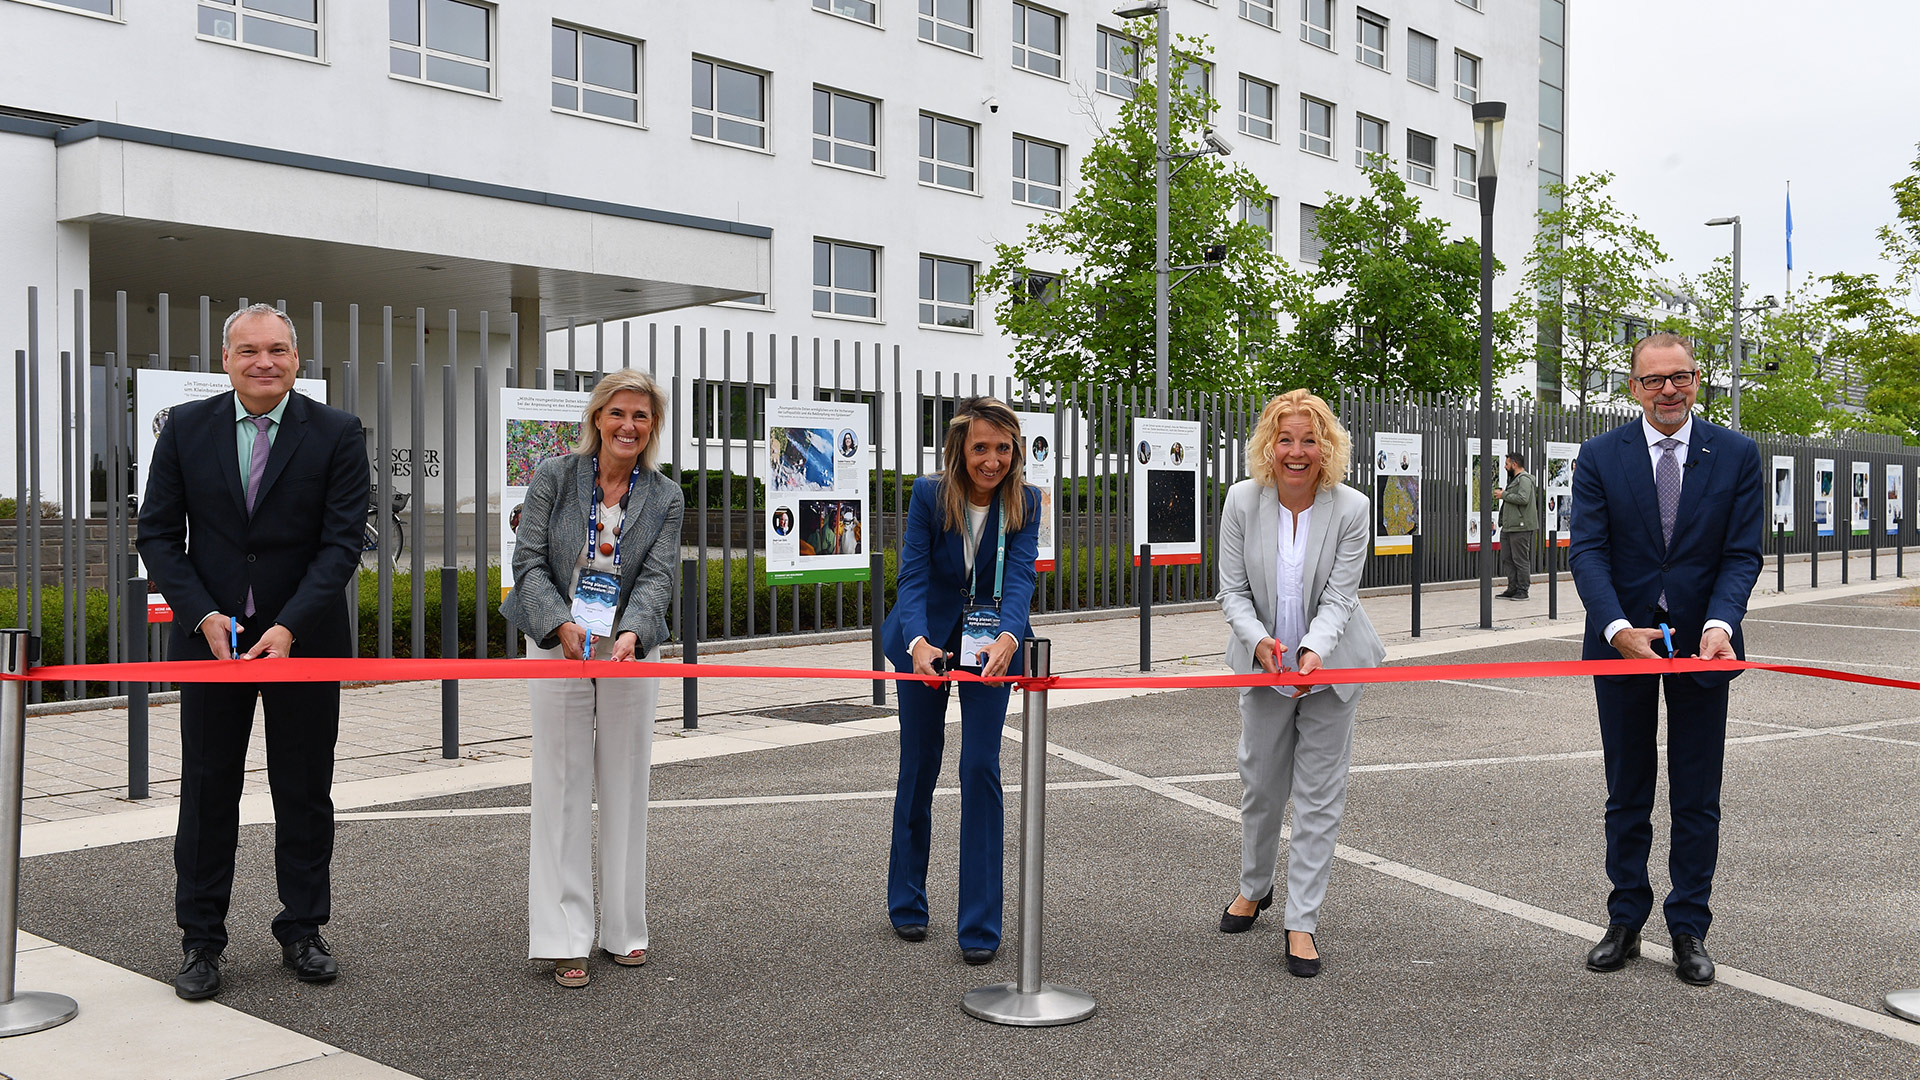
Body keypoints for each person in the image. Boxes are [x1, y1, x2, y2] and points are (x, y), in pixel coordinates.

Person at [136, 304, 369, 1000]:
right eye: (248, 351)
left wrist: (290, 626)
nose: (262, 362)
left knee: (303, 789)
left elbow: (341, 543)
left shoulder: (336, 431)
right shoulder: (184, 428)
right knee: (208, 791)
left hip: (302, 641)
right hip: (210, 644)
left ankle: (302, 928)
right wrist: (202, 613)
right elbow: (156, 536)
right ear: (227, 358)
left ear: (297, 359)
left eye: (276, 350)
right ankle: (201, 940)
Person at [1568, 333, 1763, 987]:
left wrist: (1719, 622)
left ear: (1698, 380)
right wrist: (1618, 627)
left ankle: (1688, 928)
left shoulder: (1735, 455)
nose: (1668, 390)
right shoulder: (1599, 458)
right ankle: (1625, 919)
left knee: (1696, 795)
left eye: (1679, 376)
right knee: (1627, 791)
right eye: (1654, 380)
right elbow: (1587, 552)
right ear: (1633, 388)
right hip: (1622, 643)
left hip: (1704, 646)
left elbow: (1741, 554)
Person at [499, 368, 684, 988]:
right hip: (558, 644)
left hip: (629, 649)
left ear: (652, 426)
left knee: (626, 784)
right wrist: (557, 623)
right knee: (561, 784)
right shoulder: (554, 476)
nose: (629, 426)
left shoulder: (664, 495)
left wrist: (631, 633)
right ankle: (563, 936)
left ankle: (623, 929)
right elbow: (526, 561)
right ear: (597, 418)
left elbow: (658, 576)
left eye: (641, 416)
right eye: (618, 413)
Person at [1214, 389, 1384, 978]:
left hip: (1331, 668)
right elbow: (1231, 591)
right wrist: (1261, 642)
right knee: (1261, 786)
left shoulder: (1351, 508)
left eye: (1309, 439)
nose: (1296, 451)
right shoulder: (1241, 501)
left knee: (1319, 796)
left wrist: (1314, 651)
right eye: (1285, 438)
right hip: (1262, 666)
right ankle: (1254, 886)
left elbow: (1341, 596)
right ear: (1267, 444)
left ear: (1327, 446)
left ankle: (1302, 919)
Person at [881, 396, 1040, 966]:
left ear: (1015, 451)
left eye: (1003, 448)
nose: (991, 460)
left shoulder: (1027, 502)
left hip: (990, 644)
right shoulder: (929, 496)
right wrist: (918, 642)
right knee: (920, 761)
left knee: (980, 767)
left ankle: (980, 924)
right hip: (925, 640)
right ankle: (907, 901)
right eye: (981, 448)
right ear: (960, 450)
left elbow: (1019, 577)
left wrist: (1010, 637)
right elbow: (913, 575)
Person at [1494, 449, 1540, 599]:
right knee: (1508, 559)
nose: (1505, 467)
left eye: (1507, 464)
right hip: (1508, 527)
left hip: (1521, 527)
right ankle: (1512, 588)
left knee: (1520, 560)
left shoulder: (1524, 479)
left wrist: (1504, 495)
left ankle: (1523, 590)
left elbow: (1523, 498)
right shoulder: (1514, 480)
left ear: (1514, 464)